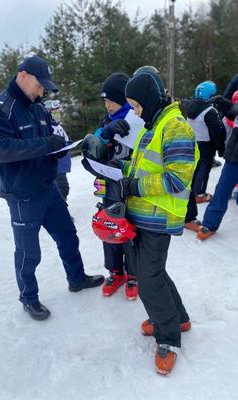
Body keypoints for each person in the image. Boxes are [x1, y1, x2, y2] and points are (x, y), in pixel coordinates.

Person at [0, 55, 104, 321]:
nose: (42, 91)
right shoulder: (0, 109)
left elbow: (54, 136)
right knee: (29, 252)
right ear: (23, 75)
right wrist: (46, 145)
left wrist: (63, 143)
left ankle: (76, 278)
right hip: (23, 194)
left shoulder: (39, 108)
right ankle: (29, 298)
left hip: (48, 187)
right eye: (40, 85)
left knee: (68, 235)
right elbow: (0, 149)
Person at [106, 68, 198, 375]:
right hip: (142, 214)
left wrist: (135, 187)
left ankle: (168, 337)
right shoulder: (153, 125)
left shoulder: (175, 127)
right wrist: (115, 162)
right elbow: (141, 166)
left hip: (158, 217)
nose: (134, 111)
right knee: (153, 273)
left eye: (135, 105)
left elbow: (177, 179)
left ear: (146, 98)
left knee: (147, 279)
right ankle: (178, 317)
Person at [81, 73, 139, 301]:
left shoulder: (137, 118)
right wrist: (104, 135)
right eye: (103, 100)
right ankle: (115, 272)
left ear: (121, 99)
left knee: (130, 232)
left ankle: (134, 274)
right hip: (107, 184)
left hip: (130, 188)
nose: (105, 104)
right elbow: (92, 149)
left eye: (109, 100)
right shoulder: (106, 121)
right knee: (109, 227)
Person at [197, 92, 238, 240]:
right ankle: (210, 224)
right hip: (234, 156)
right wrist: (226, 105)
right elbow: (234, 115)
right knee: (222, 189)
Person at [186, 81, 226, 205]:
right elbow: (216, 132)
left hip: (192, 141)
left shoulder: (191, 106)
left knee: (196, 168)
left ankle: (192, 191)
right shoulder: (210, 111)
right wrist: (221, 149)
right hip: (206, 143)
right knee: (204, 168)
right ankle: (199, 193)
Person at [44, 99, 72, 202]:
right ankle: (61, 214)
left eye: (58, 111)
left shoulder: (58, 126)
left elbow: (66, 141)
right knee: (61, 188)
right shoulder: (47, 128)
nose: (57, 114)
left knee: (64, 188)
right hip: (55, 166)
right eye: (54, 112)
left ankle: (62, 211)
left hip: (63, 165)